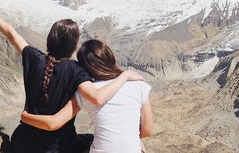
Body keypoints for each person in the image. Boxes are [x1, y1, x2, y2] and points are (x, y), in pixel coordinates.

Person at [0, 0, 144, 153]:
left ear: (50, 39)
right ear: (74, 46)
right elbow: (97, 98)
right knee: (90, 140)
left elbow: (11, 33)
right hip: (57, 148)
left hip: (22, 143)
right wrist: (124, 76)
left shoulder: (33, 57)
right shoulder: (77, 70)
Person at [21, 39, 153, 153]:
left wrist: (25, 117)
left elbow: (54, 123)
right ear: (110, 57)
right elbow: (147, 131)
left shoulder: (85, 93)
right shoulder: (139, 85)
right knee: (139, 145)